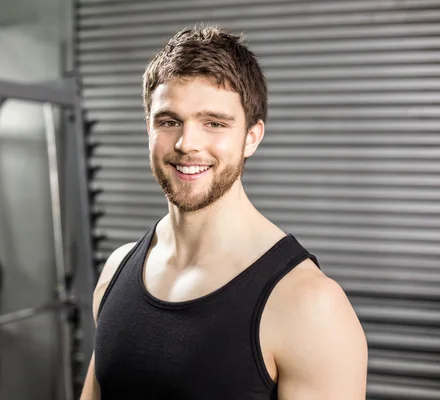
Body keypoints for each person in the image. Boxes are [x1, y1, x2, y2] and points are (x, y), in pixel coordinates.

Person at [80, 25, 368, 400]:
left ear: (252, 136)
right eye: (169, 121)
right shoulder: (116, 272)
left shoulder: (309, 305)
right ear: (149, 128)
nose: (187, 144)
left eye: (214, 123)